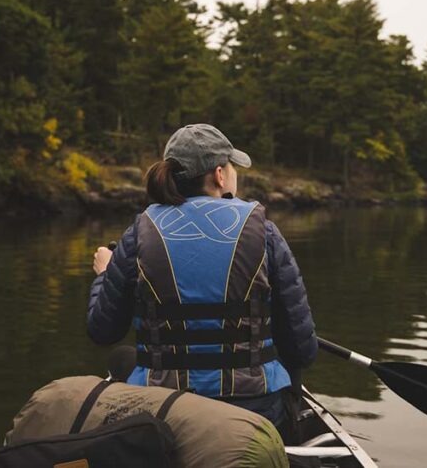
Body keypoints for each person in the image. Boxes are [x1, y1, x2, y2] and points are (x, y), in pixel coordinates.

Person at [87, 123, 317, 438]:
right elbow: (302, 350)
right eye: (233, 166)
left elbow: (103, 330)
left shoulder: (138, 233)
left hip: (162, 411)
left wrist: (104, 276)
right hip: (255, 413)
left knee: (121, 357)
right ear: (220, 174)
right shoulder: (265, 232)